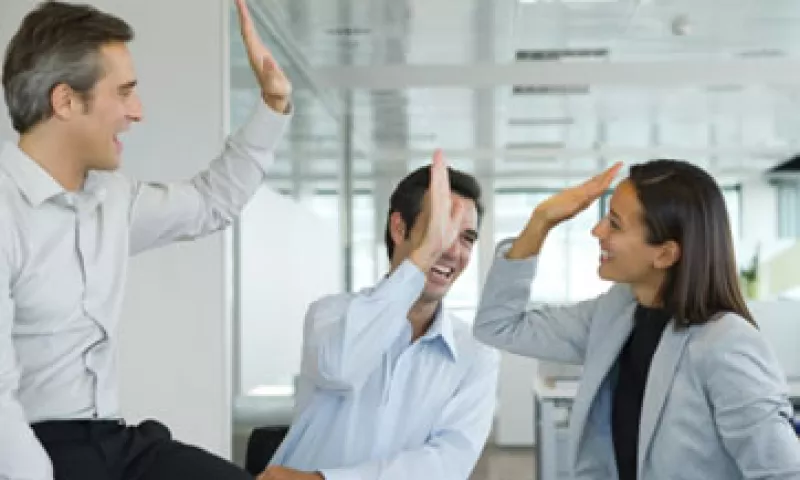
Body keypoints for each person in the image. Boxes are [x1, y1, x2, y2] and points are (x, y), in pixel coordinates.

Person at [0, 1, 292, 479]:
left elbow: (209, 203)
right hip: (26, 451)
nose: (137, 112)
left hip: (114, 445)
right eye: (124, 93)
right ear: (66, 101)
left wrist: (272, 106)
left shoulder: (111, 200)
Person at [473, 159, 800, 480]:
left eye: (614, 223)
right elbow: (499, 325)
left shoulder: (727, 344)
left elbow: (782, 472)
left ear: (665, 254)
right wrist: (540, 221)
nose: (597, 230)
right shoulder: (617, 312)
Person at [259, 152, 499, 480]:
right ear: (399, 228)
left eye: (466, 238)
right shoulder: (330, 314)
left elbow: (447, 463)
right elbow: (340, 367)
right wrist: (421, 259)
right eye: (439, 230)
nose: (452, 250)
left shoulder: (476, 353)